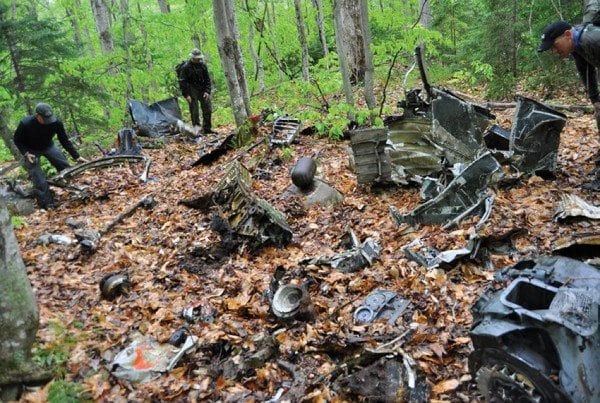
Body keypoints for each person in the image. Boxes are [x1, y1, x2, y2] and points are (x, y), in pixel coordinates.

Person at [538, 20, 600, 190]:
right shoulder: (577, 46)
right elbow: (586, 72)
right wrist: (595, 99)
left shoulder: (593, 39)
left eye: (554, 45)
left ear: (567, 35)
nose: (554, 51)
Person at [13, 102, 87, 209]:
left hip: (48, 146)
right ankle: (47, 204)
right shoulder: (26, 123)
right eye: (44, 119)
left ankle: (75, 190)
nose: (48, 122)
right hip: (31, 151)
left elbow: (64, 140)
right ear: (37, 115)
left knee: (64, 166)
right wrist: (26, 153)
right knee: (38, 178)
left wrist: (76, 156)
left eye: (49, 118)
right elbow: (17, 140)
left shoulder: (56, 122)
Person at [178, 48, 215, 134]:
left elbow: (207, 80)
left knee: (207, 108)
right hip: (191, 89)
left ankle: (207, 129)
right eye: (196, 58)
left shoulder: (203, 66)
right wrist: (186, 95)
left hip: (203, 89)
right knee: (194, 111)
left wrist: (207, 91)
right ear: (192, 57)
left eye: (199, 58)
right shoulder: (186, 67)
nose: (198, 59)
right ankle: (197, 130)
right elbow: (182, 82)